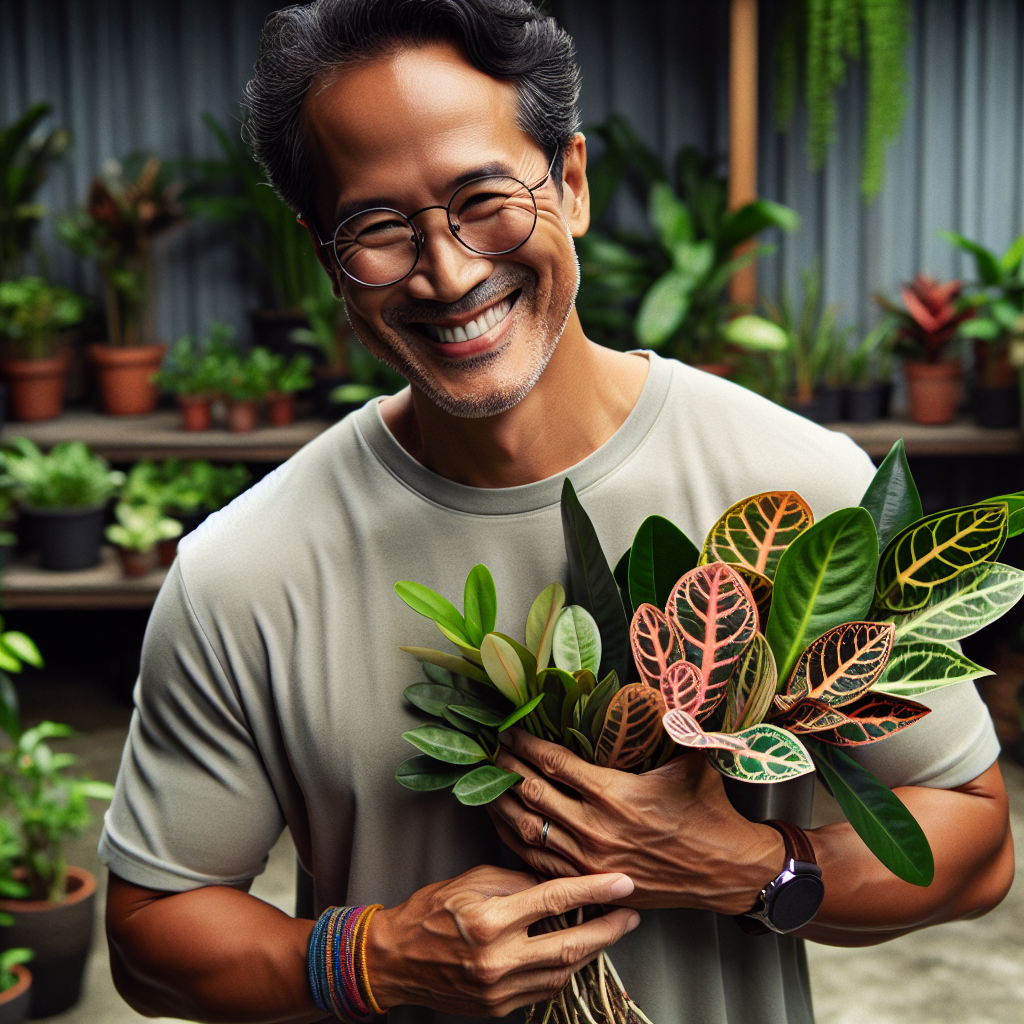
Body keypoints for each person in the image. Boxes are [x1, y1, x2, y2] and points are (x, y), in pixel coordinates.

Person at [101, 2, 1013, 1022]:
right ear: (325, 255)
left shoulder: (802, 491)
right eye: (378, 229)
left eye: (484, 198)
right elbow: (150, 930)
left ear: (570, 182)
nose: (448, 273)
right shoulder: (244, 570)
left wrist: (753, 867)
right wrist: (372, 959)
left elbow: (973, 845)